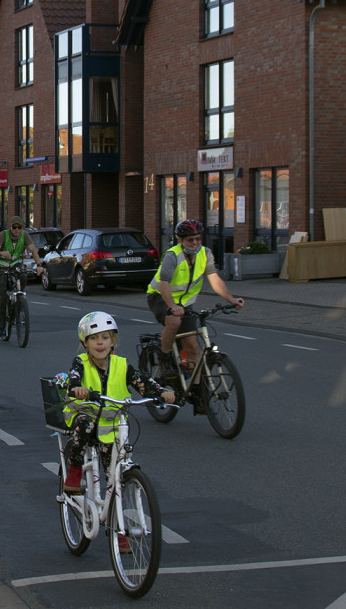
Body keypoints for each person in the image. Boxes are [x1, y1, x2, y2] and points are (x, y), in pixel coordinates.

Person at [61, 312, 176, 522]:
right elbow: (74, 377)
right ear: (85, 343)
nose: (100, 343)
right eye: (94, 338)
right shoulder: (81, 362)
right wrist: (77, 388)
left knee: (114, 475)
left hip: (111, 424)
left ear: (113, 341)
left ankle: (118, 528)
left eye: (105, 337)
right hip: (85, 414)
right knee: (85, 425)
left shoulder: (122, 365)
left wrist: (161, 392)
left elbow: (142, 381)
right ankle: (75, 469)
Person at [146, 219, 244, 363]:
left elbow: (214, 279)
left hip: (185, 302)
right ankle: (165, 356)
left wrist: (231, 299)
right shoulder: (172, 256)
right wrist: (172, 306)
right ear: (180, 240)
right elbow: (164, 284)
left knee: (192, 347)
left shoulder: (205, 254)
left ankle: (194, 378)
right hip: (160, 296)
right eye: (190, 240)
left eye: (198, 239)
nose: (195, 243)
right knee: (174, 322)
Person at [0, 216, 45, 338]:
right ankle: (1, 327)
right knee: (1, 298)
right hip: (1, 268)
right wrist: (2, 253)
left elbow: (33, 251)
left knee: (23, 275)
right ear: (10, 227)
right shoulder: (3, 235)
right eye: (15, 227)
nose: (17, 230)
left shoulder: (25, 235)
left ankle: (19, 299)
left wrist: (39, 265)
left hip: (16, 266)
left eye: (20, 227)